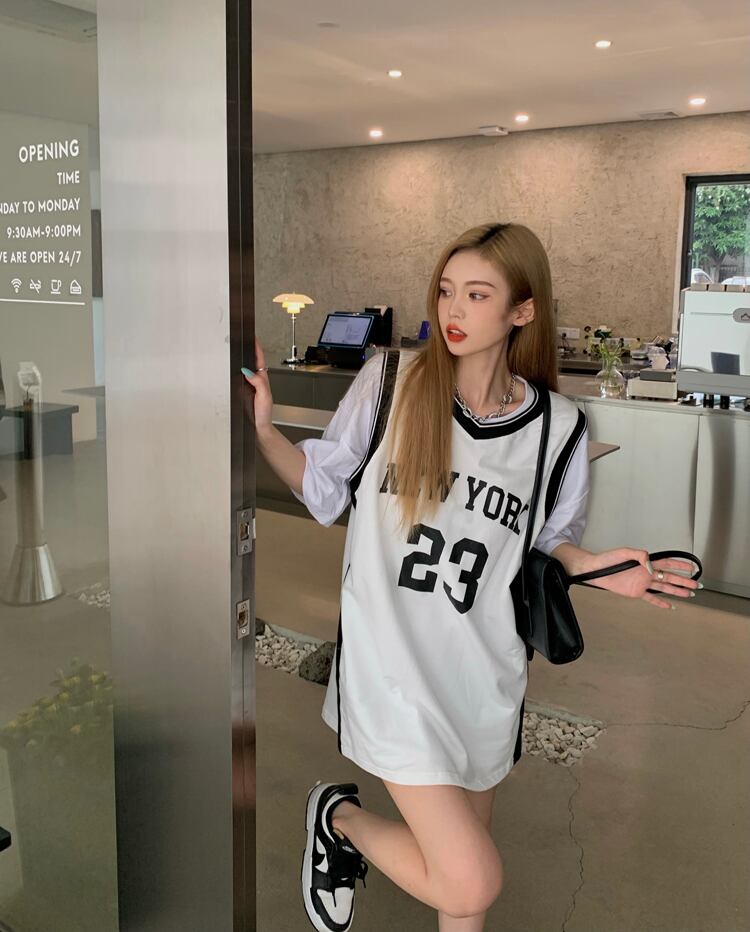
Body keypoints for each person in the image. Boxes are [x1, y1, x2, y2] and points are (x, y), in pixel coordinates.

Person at [243, 222, 700, 932]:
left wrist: (600, 569)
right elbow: (327, 490)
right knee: (470, 878)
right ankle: (339, 818)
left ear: (522, 310)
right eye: (446, 291)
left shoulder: (560, 429)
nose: (453, 310)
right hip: (389, 666)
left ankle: (343, 825)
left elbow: (545, 544)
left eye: (478, 295)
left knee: (461, 891)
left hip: (484, 672)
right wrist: (268, 432)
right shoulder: (391, 383)